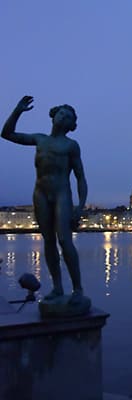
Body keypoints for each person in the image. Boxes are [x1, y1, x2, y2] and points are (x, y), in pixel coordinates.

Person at [2, 95, 87, 304]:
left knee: (65, 240)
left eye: (67, 116)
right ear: (54, 116)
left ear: (70, 124)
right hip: (40, 193)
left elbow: (80, 177)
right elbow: (7, 134)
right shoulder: (40, 139)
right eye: (61, 113)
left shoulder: (71, 146)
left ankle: (77, 289)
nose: (62, 117)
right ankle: (57, 287)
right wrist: (17, 110)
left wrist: (80, 206)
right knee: (48, 241)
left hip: (61, 194)